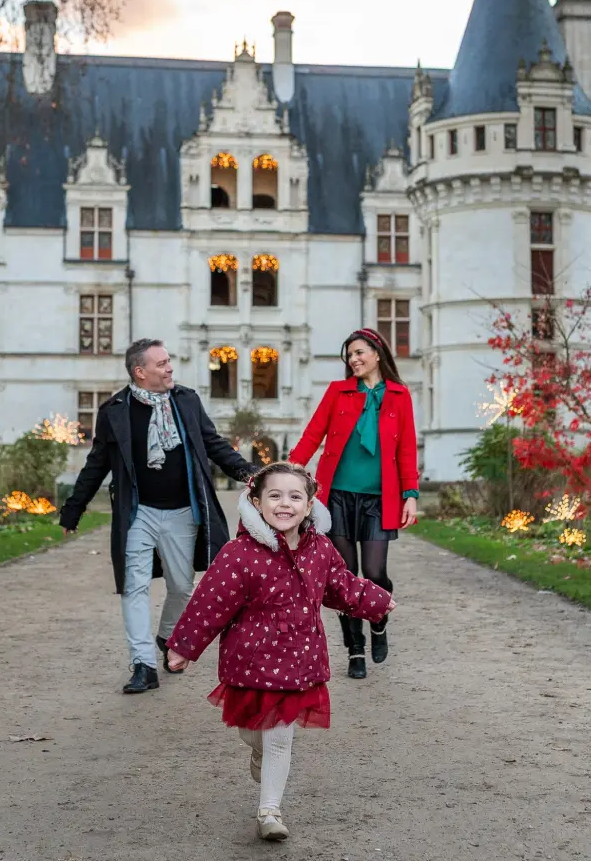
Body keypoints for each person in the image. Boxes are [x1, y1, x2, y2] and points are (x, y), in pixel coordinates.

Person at [165, 461, 394, 842]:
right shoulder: (239, 553)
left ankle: (269, 810)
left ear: (309, 505)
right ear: (255, 501)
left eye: (294, 496)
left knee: (280, 734)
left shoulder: (319, 549)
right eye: (274, 495)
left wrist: (377, 601)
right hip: (250, 660)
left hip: (299, 660)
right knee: (252, 730)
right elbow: (211, 602)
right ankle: (255, 749)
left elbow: (341, 586)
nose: (284, 504)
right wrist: (185, 647)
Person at [59, 338, 255, 694]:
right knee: (133, 586)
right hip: (138, 513)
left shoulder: (186, 401)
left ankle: (167, 636)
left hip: (182, 511)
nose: (169, 368)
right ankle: (143, 664)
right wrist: (73, 509)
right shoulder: (114, 411)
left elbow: (214, 444)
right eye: (162, 363)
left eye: (168, 361)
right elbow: (96, 465)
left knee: (181, 586)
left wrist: (249, 473)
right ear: (140, 372)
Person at [289, 327, 418, 679]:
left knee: (375, 574)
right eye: (349, 355)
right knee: (345, 578)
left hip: (380, 499)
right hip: (338, 498)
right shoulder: (338, 392)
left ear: (378, 353)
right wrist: (286, 471)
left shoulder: (399, 395)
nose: (354, 359)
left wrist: (411, 495)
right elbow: (313, 434)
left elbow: (406, 448)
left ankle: (378, 620)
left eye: (360, 352)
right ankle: (355, 650)